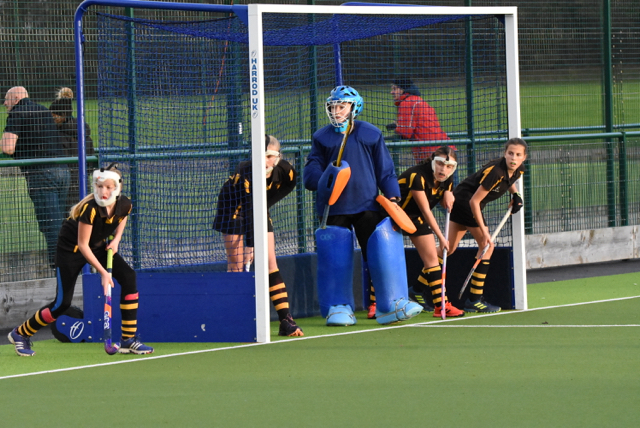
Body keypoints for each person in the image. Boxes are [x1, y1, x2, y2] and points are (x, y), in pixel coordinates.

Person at [304, 85, 422, 326]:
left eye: (341, 106)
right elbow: (311, 174)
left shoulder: (370, 134)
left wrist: (392, 198)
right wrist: (325, 178)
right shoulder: (321, 137)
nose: (336, 111)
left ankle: (392, 304)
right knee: (335, 258)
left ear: (354, 107)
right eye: (333, 107)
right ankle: (338, 306)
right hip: (333, 208)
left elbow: (385, 170)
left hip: (367, 205)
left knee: (382, 253)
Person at [7, 164, 153, 356]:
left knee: (128, 277)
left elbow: (122, 217)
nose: (103, 192)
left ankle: (128, 339)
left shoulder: (125, 204)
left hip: (98, 246)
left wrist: (116, 239)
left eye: (108, 187)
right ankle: (20, 333)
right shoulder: (89, 209)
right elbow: (83, 245)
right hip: (71, 250)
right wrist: (103, 273)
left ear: (118, 188)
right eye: (99, 186)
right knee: (62, 304)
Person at [213, 135, 303, 337]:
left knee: (270, 262)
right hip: (233, 209)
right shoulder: (246, 171)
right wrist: (250, 245)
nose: (266, 161)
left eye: (271, 156)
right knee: (237, 264)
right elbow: (247, 207)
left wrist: (266, 204)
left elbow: (290, 184)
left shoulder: (286, 170)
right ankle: (234, 319)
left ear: (278, 157)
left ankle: (285, 320)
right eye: (262, 156)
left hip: (258, 207)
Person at [442, 137, 527, 313]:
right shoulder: (496, 172)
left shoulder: (518, 169)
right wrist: (484, 232)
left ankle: (416, 289)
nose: (513, 158)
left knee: (448, 248)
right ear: (505, 154)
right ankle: (474, 300)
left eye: (518, 155)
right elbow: (474, 201)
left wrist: (516, 194)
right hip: (466, 203)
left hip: (463, 201)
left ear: (523, 157)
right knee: (487, 246)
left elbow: (510, 181)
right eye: (510, 153)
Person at [2, 86, 70, 268]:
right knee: (59, 222)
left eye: (7, 99)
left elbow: (8, 147)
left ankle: (61, 271)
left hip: (42, 174)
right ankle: (66, 268)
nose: (5, 103)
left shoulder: (17, 113)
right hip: (63, 172)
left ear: (16, 99)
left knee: (51, 225)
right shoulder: (43, 110)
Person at [397, 146, 464, 317]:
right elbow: (426, 210)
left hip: (415, 217)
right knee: (387, 258)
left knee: (432, 259)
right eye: (440, 164)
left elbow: (442, 198)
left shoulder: (446, 179)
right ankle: (375, 303)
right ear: (433, 160)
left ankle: (441, 305)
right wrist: (441, 237)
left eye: (449, 166)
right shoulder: (417, 176)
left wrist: (449, 194)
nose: (443, 169)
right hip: (394, 215)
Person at [49, 87, 95, 212]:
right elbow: (91, 161)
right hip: (83, 182)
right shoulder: (84, 133)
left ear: (63, 116)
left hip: (64, 183)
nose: (51, 119)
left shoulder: (55, 135)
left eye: (54, 116)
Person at [386, 78, 450, 164]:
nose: (391, 92)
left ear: (403, 90)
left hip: (432, 154)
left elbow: (405, 132)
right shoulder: (417, 100)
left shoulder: (407, 103)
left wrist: (397, 127)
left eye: (394, 89)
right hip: (443, 150)